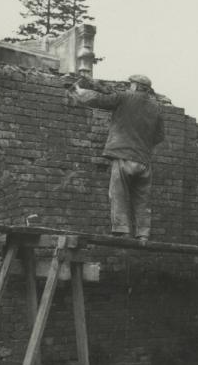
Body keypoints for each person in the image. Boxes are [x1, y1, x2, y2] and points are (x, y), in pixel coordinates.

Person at [68, 74, 165, 241]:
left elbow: (100, 100)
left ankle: (122, 230)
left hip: (123, 156)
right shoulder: (156, 107)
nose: (129, 87)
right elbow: (159, 136)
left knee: (118, 194)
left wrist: (79, 91)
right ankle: (143, 234)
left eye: (131, 84)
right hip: (144, 162)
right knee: (142, 201)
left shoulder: (125, 97)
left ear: (135, 86)